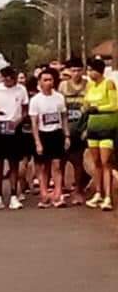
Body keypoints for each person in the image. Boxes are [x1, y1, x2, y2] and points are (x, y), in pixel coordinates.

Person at [0, 66, 29, 210]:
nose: (10, 81)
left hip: (14, 126)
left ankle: (13, 196)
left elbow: (24, 110)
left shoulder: (21, 90)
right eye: (7, 78)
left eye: (12, 78)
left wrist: (18, 121)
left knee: (13, 163)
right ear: (3, 78)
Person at [29, 69, 70, 208]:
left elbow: (64, 117)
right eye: (45, 80)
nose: (48, 83)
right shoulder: (35, 100)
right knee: (43, 167)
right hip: (42, 134)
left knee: (57, 165)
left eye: (50, 80)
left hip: (56, 134)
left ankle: (58, 194)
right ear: (39, 82)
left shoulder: (59, 97)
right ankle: (44, 194)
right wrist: (37, 142)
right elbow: (34, 123)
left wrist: (66, 136)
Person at [84, 58, 117, 211]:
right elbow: (86, 103)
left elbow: (114, 104)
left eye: (92, 70)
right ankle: (98, 192)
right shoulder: (90, 86)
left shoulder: (108, 84)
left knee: (106, 162)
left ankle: (108, 196)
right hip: (93, 127)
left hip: (106, 127)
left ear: (99, 70)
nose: (89, 73)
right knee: (96, 162)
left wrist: (97, 108)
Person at [59, 59, 88, 204]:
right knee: (61, 161)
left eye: (78, 70)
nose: (76, 73)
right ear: (69, 72)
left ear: (83, 71)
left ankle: (78, 190)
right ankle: (61, 189)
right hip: (65, 128)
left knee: (78, 161)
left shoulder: (88, 86)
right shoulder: (63, 86)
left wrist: (86, 129)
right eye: (73, 70)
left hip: (81, 128)